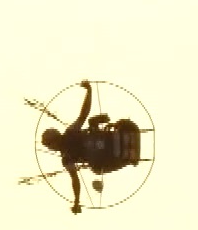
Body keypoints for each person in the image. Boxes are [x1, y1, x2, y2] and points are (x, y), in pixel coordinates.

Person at [40, 81, 137, 214]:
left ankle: (129, 159)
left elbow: (75, 180)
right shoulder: (70, 132)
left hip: (107, 155)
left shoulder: (66, 158)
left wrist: (77, 201)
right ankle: (128, 154)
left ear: (53, 143)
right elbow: (83, 114)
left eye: (49, 145)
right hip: (107, 147)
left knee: (96, 169)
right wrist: (89, 91)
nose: (51, 149)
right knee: (92, 126)